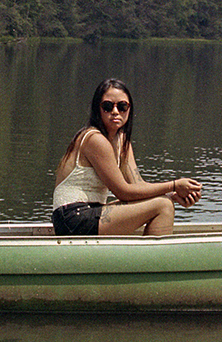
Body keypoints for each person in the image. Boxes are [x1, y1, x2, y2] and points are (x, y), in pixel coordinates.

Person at [51, 77, 202, 235]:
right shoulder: (94, 139)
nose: (115, 112)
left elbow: (137, 185)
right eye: (108, 106)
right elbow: (123, 192)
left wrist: (172, 195)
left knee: (165, 201)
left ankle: (147, 256)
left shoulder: (122, 142)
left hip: (93, 211)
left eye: (122, 106)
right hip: (71, 218)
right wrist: (173, 185)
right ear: (98, 109)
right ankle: (152, 259)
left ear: (129, 109)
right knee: (163, 206)